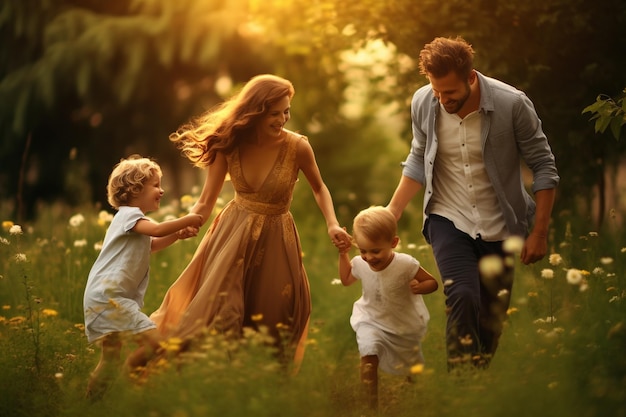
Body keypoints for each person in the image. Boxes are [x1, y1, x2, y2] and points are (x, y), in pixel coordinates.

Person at [146, 74, 351, 370]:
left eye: (286, 111)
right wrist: (188, 224)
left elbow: (320, 188)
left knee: (276, 317)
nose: (282, 118)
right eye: (274, 113)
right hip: (232, 236)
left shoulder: (298, 147)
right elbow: (205, 201)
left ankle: (267, 389)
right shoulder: (228, 145)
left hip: (278, 237)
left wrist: (332, 223)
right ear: (255, 111)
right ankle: (169, 371)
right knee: (215, 313)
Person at [386, 36, 559, 369]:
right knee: (463, 295)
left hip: (503, 225)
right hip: (447, 217)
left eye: (449, 92)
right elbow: (418, 158)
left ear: (470, 77)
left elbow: (543, 166)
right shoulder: (425, 102)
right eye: (436, 90)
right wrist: (392, 212)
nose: (442, 99)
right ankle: (460, 385)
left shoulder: (512, 104)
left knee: (490, 322)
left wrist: (539, 233)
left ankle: (475, 386)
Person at [83, 155, 203, 398]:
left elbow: (152, 244)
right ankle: (139, 390)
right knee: (155, 344)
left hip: (104, 297)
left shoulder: (131, 222)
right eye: (155, 185)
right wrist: (188, 218)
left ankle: (89, 404)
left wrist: (177, 235)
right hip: (111, 298)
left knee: (110, 360)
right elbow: (157, 229)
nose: (161, 190)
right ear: (135, 190)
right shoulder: (129, 215)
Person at [338, 206, 438, 410]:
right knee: (368, 353)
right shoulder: (360, 263)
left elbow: (432, 283)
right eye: (363, 251)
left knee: (410, 366)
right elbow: (347, 280)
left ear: (393, 243)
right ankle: (370, 405)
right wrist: (343, 255)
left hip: (402, 323)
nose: (369, 257)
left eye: (375, 251)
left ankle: (413, 398)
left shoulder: (406, 264)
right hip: (371, 318)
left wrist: (421, 287)